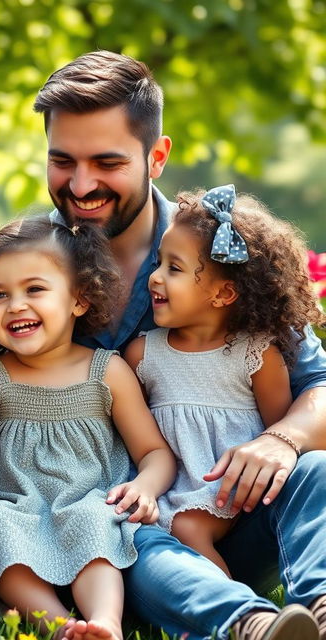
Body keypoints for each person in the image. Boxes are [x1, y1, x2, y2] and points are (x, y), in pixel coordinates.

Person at [33, 51, 326, 640]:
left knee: (316, 470)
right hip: (122, 539)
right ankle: (249, 627)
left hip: (238, 512)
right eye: (63, 161)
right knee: (125, 540)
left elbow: (317, 386)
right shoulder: (28, 271)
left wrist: (280, 439)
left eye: (107, 162)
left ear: (156, 157)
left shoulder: (219, 252)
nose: (82, 184)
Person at [0, 216, 176, 640]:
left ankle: (104, 624)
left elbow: (154, 452)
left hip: (88, 500)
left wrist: (146, 487)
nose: (16, 305)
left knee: (96, 521)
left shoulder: (107, 370)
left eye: (34, 289)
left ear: (79, 299)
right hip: (15, 507)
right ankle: (57, 626)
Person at [123, 184, 325, 577]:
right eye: (158, 264)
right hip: (171, 485)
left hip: (234, 485)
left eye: (174, 269)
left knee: (187, 527)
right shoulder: (143, 354)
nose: (155, 278)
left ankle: (239, 611)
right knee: (167, 526)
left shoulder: (257, 354)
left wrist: (276, 451)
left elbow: (277, 430)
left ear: (224, 293)